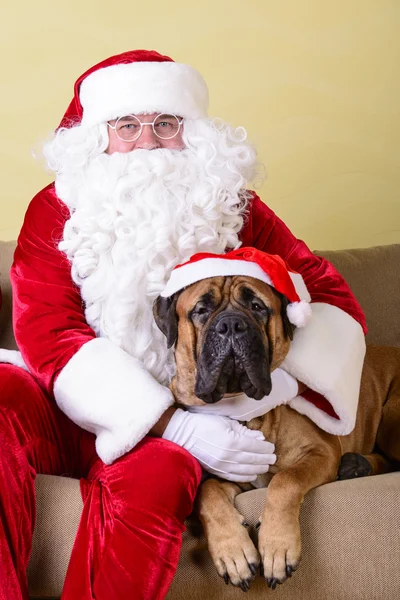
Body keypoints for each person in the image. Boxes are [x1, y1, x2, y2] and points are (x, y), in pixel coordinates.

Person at [0, 49, 366, 600]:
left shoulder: (232, 205)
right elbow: (48, 334)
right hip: (69, 412)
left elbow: (331, 298)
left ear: (193, 135)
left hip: (182, 424)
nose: (147, 141)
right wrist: (172, 423)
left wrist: (277, 386)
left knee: (162, 474)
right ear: (98, 137)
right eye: (127, 125)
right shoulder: (56, 210)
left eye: (165, 124)